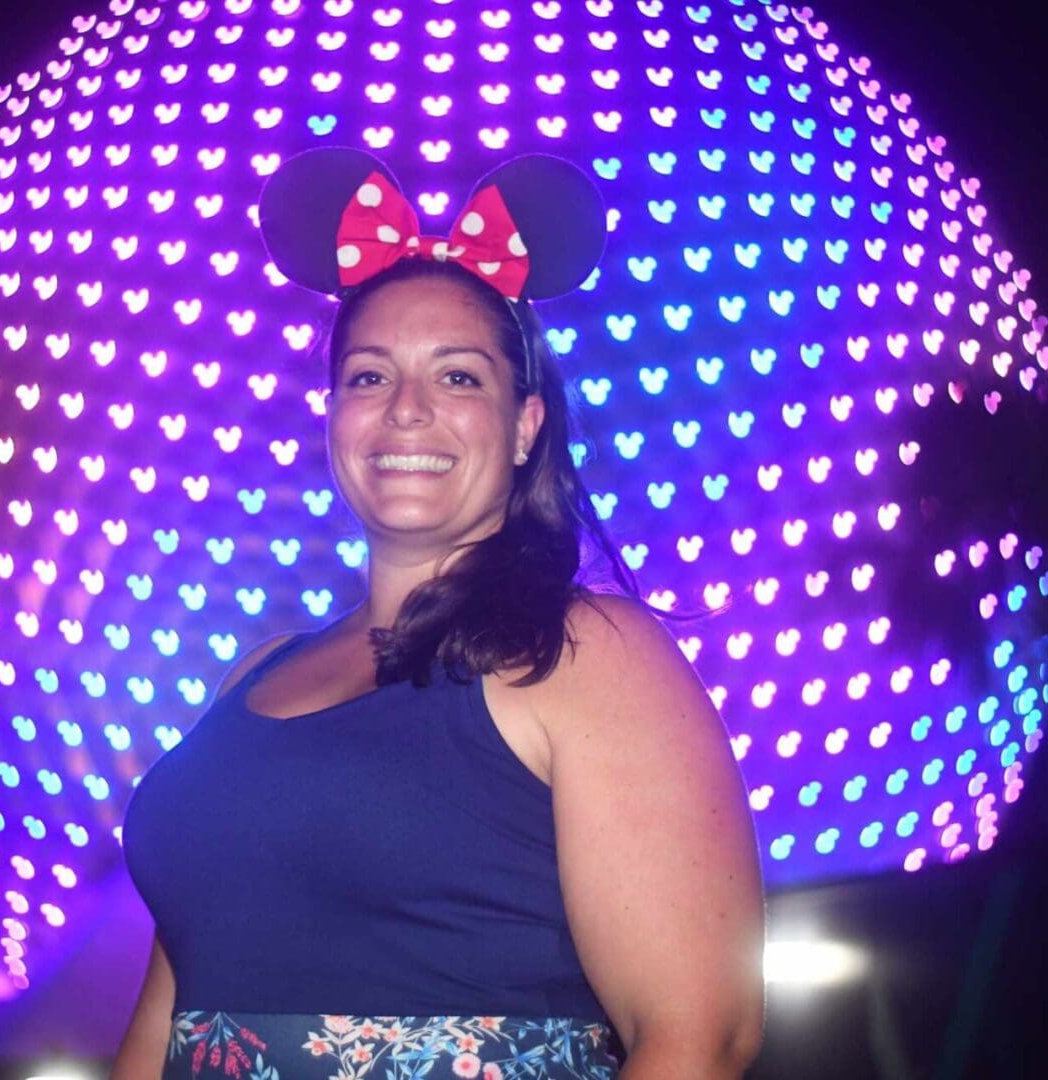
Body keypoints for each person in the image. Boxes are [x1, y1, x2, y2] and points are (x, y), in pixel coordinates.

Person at [114, 150, 764, 1079]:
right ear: (333, 414)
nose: (408, 411)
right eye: (370, 378)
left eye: (458, 378)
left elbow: (699, 1038)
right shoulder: (247, 676)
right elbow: (172, 1014)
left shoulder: (590, 656)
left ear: (527, 423)